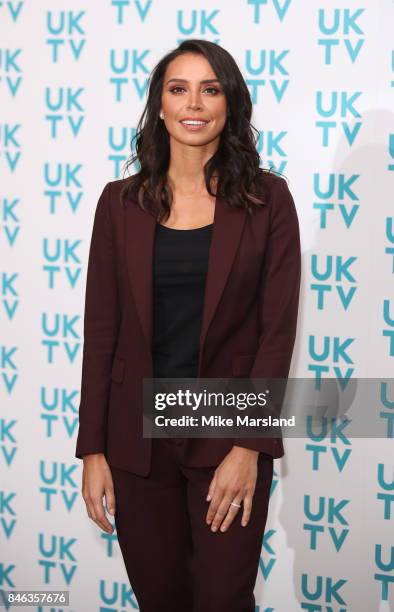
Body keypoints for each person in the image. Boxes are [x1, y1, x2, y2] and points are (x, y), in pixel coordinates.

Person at [75, 39, 301, 612]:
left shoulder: (266, 199)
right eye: (178, 89)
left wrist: (249, 446)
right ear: (159, 104)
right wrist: (93, 451)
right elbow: (101, 331)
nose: (193, 103)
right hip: (135, 443)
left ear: (230, 104)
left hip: (226, 432)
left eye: (211, 88)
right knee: (162, 599)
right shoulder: (118, 203)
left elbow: (276, 333)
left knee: (224, 599)